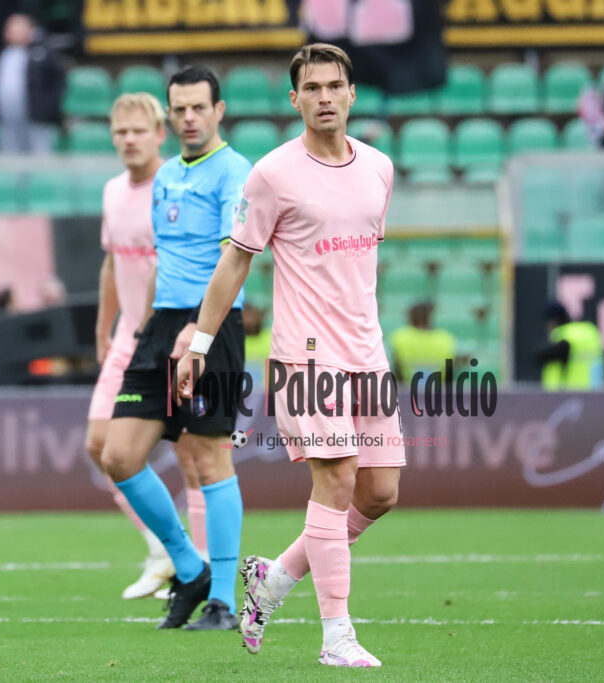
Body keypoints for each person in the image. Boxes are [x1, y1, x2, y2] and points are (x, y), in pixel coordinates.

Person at [175, 43, 403, 668]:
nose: (325, 97)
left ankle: (271, 581)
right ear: (294, 98)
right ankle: (337, 637)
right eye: (313, 88)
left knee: (379, 492)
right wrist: (198, 341)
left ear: (352, 94)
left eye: (335, 86)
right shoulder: (272, 174)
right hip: (305, 356)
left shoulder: (380, 168)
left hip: (367, 353)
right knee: (335, 480)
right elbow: (234, 262)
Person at [99, 65, 251, 631]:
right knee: (118, 456)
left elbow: (233, 257)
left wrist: (201, 331)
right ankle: (190, 570)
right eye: (178, 109)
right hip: (161, 326)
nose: (187, 118)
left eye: (197, 108)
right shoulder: (164, 176)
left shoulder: (236, 172)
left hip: (211, 326)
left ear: (219, 111)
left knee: (208, 457)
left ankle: (226, 603)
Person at [83, 92, 211, 601]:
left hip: (170, 338)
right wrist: (102, 326)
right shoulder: (113, 192)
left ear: (160, 134)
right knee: (99, 445)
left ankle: (195, 568)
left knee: (191, 457)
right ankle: (164, 550)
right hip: (127, 340)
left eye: (138, 131)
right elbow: (113, 262)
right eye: (120, 132)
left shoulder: (175, 187)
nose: (129, 140)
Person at [0, 13, 64, 153]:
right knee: (9, 153)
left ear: (30, 30)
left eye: (19, 29)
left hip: (36, 116)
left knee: (40, 153)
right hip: (6, 117)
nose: (14, 33)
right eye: (10, 29)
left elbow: (58, 79)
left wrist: (48, 108)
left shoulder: (42, 52)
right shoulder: (0, 54)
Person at [535, 301, 604, 391]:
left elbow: (559, 351)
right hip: (597, 393)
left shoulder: (564, 334)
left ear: (553, 321)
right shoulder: (590, 331)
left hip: (570, 395)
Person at [390, 301, 456, 383]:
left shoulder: (399, 337)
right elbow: (449, 374)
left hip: (406, 391)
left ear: (411, 317)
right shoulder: (446, 339)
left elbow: (397, 369)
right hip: (437, 392)